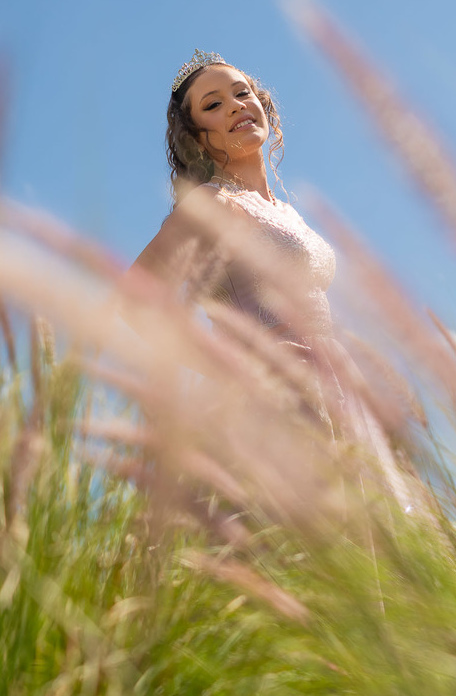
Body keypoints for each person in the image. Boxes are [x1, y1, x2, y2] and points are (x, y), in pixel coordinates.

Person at [125, 49, 415, 515]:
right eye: (213, 104)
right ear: (197, 138)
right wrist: (225, 363)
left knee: (367, 554)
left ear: (263, 104)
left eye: (242, 93)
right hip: (270, 401)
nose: (236, 105)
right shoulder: (212, 204)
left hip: (335, 390)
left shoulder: (287, 212)